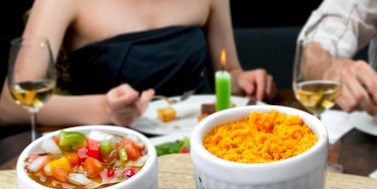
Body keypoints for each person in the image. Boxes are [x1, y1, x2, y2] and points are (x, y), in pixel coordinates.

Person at [0, 0, 277, 129]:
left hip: (202, 140)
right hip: (110, 149)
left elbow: (227, 72)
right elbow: (12, 106)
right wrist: (107, 110)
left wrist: (243, 79)